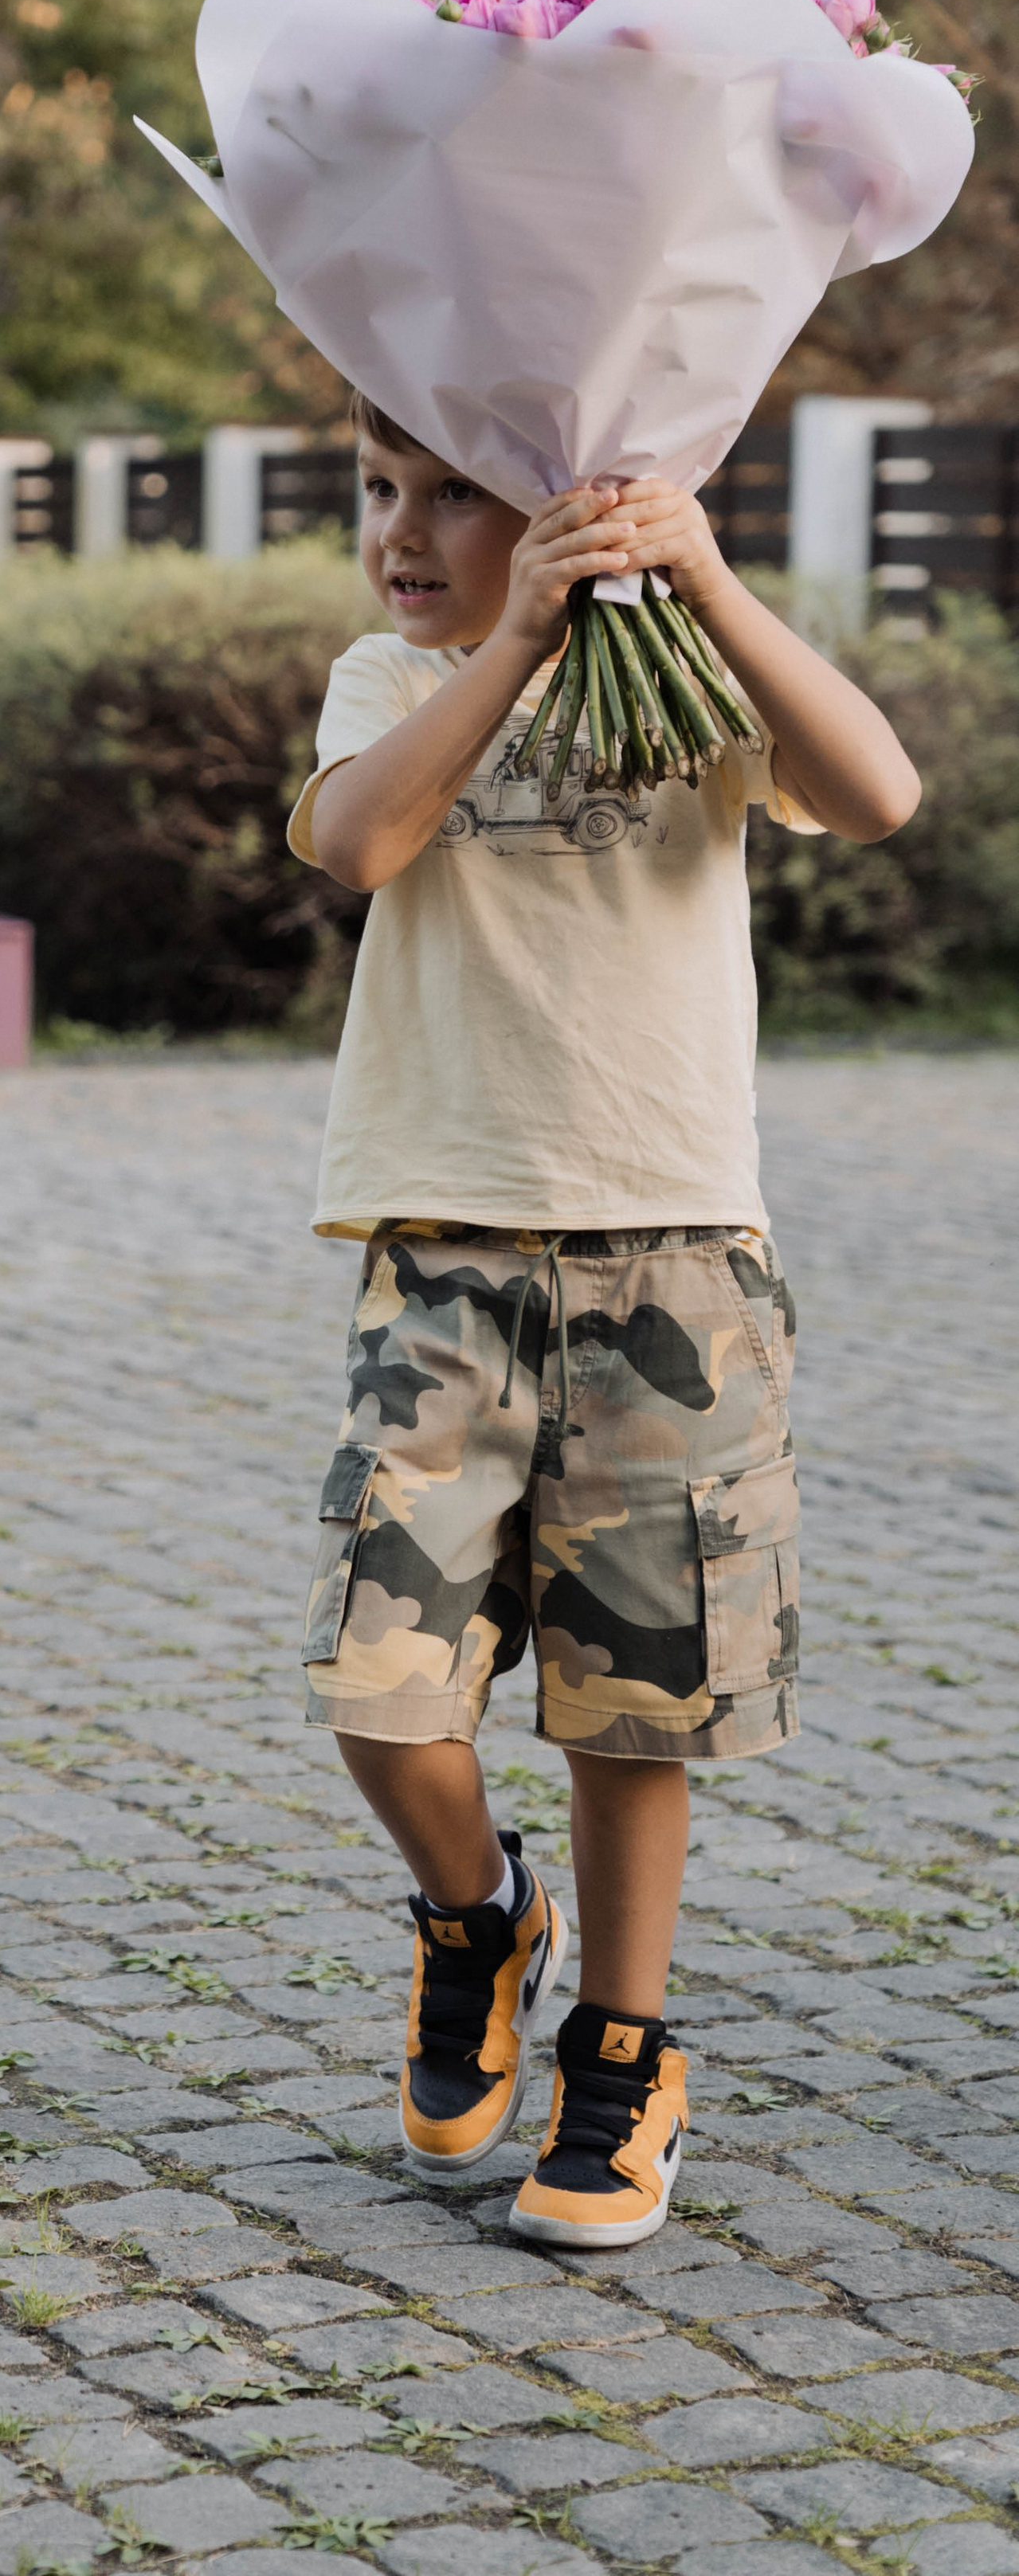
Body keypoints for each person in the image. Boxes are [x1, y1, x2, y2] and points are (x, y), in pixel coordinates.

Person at [289, 399, 919, 2245]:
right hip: (445, 1255)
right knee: (373, 1676)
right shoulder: (388, 670)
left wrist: (696, 572)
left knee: (634, 1696)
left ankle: (623, 2053)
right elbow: (357, 841)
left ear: (571, 503)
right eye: (378, 490)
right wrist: (499, 635)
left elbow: (876, 794)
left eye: (452, 494)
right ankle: (480, 1916)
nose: (401, 529)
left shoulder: (692, 669)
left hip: (670, 1255)